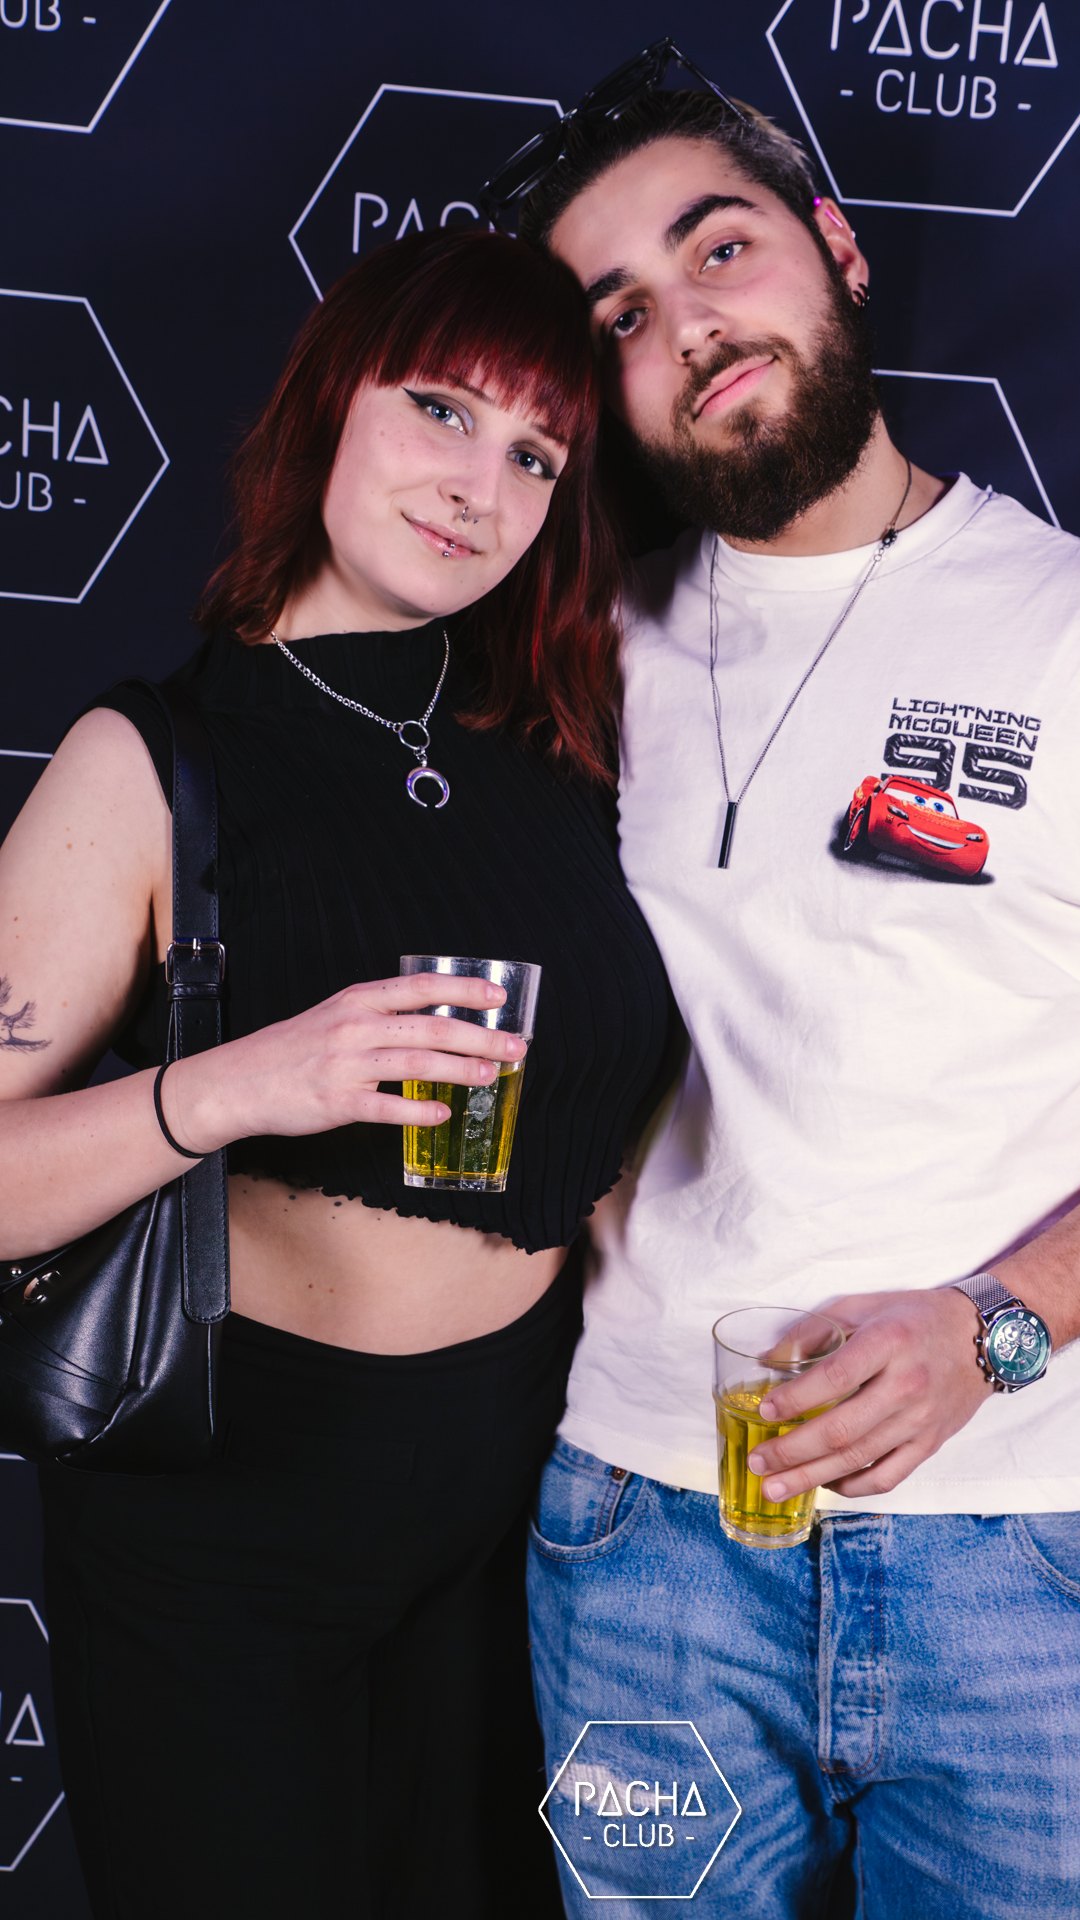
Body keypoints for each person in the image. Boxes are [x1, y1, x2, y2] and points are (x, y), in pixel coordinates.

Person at [488, 62, 1080, 1918]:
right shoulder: (571, 659)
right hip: (640, 1549)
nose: (690, 327)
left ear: (835, 248)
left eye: (720, 251)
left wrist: (987, 1328)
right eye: (622, 316)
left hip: (1016, 1550)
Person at [0, 227, 671, 1920]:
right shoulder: (156, 758)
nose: (478, 486)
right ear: (331, 402)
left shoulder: (566, 746)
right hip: (232, 1527)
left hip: (517, 1510)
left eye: (535, 455)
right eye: (442, 409)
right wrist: (236, 1086)